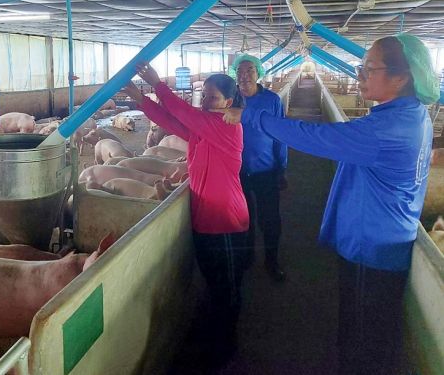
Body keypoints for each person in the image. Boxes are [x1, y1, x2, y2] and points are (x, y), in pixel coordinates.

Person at [218, 34, 439, 375]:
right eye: (360, 67)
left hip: (371, 246)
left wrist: (251, 117)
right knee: (368, 332)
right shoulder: (412, 116)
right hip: (383, 237)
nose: (359, 75)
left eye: (369, 68)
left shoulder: (388, 128)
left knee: (360, 341)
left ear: (401, 77)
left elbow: (316, 136)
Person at [123, 64, 248, 358]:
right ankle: (216, 336)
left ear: (229, 102)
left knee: (226, 288)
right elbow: (170, 120)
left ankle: (226, 346)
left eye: (213, 98)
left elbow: (182, 112)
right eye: (204, 96)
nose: (205, 102)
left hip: (226, 220)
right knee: (214, 283)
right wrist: (141, 100)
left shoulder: (227, 127)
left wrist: (158, 84)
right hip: (204, 220)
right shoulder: (203, 130)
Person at [230, 53, 288, 281]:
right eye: (240, 71)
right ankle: (247, 257)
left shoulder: (272, 100)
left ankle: (272, 261)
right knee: (245, 218)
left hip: (266, 170)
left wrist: (282, 167)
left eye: (250, 71)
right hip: (237, 172)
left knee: (270, 218)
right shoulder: (230, 99)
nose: (244, 75)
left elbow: (281, 135)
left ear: (259, 73)